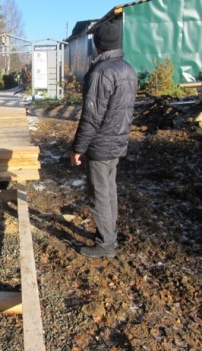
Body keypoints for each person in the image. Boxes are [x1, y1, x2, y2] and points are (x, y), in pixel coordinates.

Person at [70, 22, 138, 258]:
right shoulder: (127, 69)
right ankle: (111, 234)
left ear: (97, 46)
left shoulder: (101, 72)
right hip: (118, 141)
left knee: (99, 193)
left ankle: (106, 243)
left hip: (100, 145)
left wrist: (78, 148)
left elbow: (91, 117)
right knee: (109, 190)